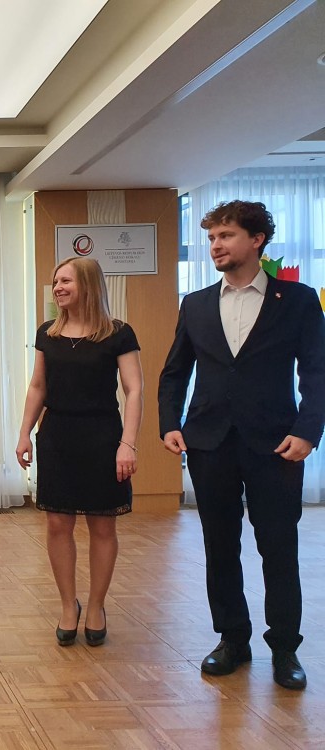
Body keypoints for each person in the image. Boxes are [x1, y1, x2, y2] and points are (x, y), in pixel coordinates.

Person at [158, 200, 325, 690]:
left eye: (226, 235)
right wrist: (170, 423)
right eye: (211, 237)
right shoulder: (195, 304)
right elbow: (174, 372)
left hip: (277, 443)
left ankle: (285, 647)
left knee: (278, 545)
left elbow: (317, 372)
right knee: (219, 545)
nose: (216, 245)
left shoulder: (297, 300)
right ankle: (232, 638)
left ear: (256, 240)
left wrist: (308, 430)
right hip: (209, 442)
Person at [16, 257, 143, 647]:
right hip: (57, 436)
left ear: (88, 284)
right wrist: (24, 434)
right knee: (58, 525)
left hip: (103, 438)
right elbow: (38, 386)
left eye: (65, 281)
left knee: (102, 526)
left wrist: (127, 444)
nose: (58, 287)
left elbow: (134, 389)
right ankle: (68, 604)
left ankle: (97, 607)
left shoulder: (118, 333)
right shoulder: (47, 333)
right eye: (55, 281)